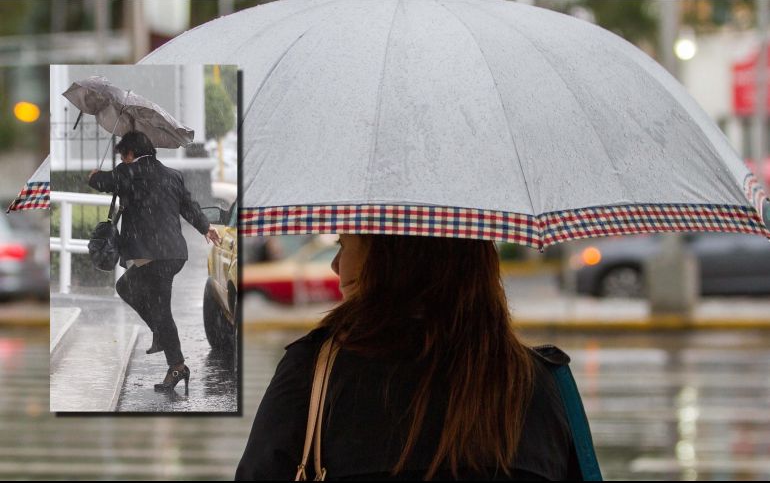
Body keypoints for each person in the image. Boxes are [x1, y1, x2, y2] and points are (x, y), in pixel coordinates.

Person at [235, 234, 584, 480]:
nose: (336, 264)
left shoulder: (314, 374)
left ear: (389, 258)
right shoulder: (540, 384)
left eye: (343, 244)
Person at [87, 131, 222, 394]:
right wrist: (206, 227)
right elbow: (189, 207)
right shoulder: (173, 175)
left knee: (136, 295)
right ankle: (172, 357)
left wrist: (93, 176)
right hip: (173, 254)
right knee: (149, 301)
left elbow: (103, 182)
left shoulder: (129, 172)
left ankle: (171, 354)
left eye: (123, 155)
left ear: (130, 153)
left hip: (152, 255)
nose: (122, 160)